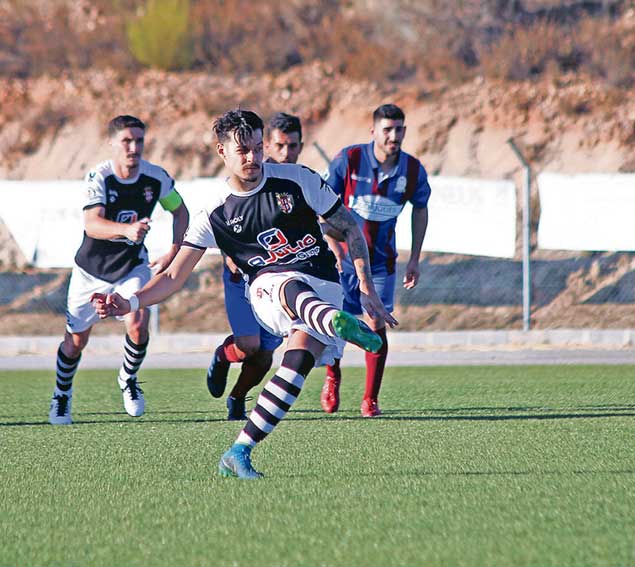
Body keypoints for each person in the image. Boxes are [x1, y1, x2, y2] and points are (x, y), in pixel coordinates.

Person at [93, 109, 396, 479]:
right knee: (287, 285)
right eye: (243, 151)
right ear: (222, 151)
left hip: (323, 283)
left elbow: (349, 227)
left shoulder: (298, 180)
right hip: (269, 291)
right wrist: (130, 302)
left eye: (257, 147)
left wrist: (366, 288)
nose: (253, 158)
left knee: (296, 366)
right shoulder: (214, 213)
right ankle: (334, 321)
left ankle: (239, 450)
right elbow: (173, 276)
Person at [49, 115, 190, 425]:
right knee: (75, 343)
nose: (133, 147)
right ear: (112, 143)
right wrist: (126, 231)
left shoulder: (156, 178)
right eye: (126, 141)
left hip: (132, 267)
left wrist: (174, 250)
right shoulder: (99, 177)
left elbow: (180, 211)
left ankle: (128, 378)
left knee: (138, 322)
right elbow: (92, 224)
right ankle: (62, 395)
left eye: (138, 140)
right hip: (90, 270)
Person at [321, 104, 430, 417]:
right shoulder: (349, 160)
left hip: (381, 262)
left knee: (375, 324)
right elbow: (323, 207)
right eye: (387, 129)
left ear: (405, 132)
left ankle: (370, 398)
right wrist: (336, 248)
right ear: (374, 132)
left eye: (398, 130)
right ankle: (332, 376)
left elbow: (420, 210)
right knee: (335, 323)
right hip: (341, 261)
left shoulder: (411, 170)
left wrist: (415, 259)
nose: (393, 136)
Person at [206, 112, 305, 421]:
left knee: (263, 357)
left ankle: (237, 397)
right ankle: (223, 356)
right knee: (249, 345)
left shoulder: (297, 181)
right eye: (279, 146)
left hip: (281, 279)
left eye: (293, 146)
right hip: (244, 278)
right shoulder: (243, 182)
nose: (286, 153)